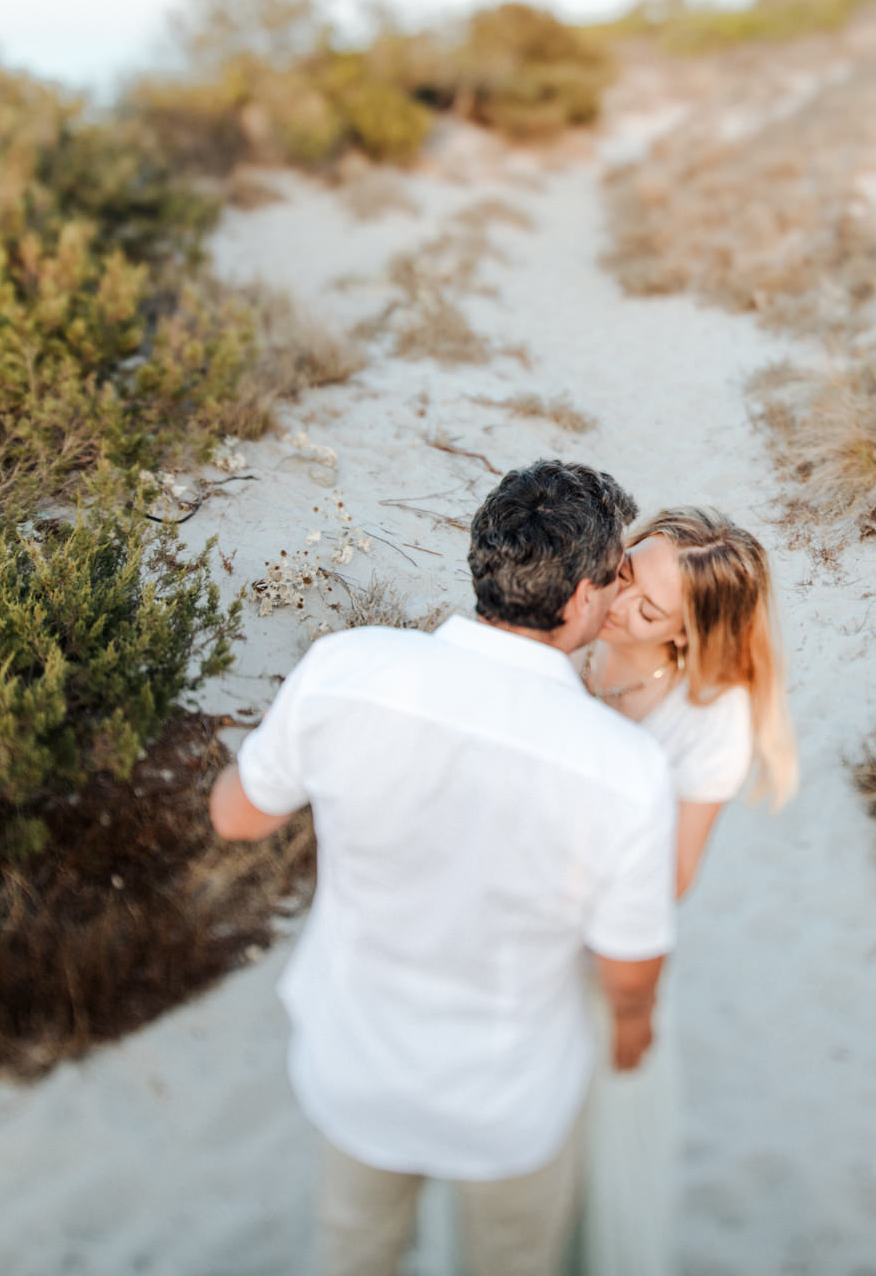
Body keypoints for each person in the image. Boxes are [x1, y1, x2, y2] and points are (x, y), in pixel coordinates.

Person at [208, 459, 678, 1276]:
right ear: (580, 600)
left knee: (353, 1253)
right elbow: (628, 971)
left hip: (356, 1067)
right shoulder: (624, 769)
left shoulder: (346, 670)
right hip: (509, 1100)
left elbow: (236, 816)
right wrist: (634, 1029)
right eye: (613, 580)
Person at [569, 507, 798, 1276]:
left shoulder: (710, 715)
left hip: (609, 947)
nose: (617, 603)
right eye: (625, 573)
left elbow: (671, 876)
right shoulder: (570, 625)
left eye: (648, 610)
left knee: (593, 1156)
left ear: (684, 635)